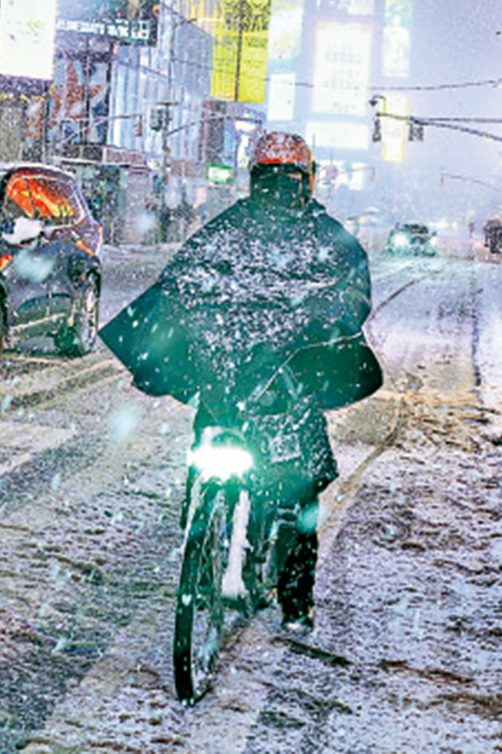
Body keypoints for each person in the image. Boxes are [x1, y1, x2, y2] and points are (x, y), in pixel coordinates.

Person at [100, 132, 383, 634]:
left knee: (297, 497)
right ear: (256, 181)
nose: (278, 189)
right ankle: (203, 542)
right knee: (209, 468)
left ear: (306, 182)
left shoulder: (325, 238)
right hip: (227, 383)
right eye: (269, 179)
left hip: (287, 390)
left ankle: (297, 601)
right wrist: (169, 330)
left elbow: (351, 298)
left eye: (287, 180)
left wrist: (312, 331)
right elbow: (180, 281)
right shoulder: (231, 232)